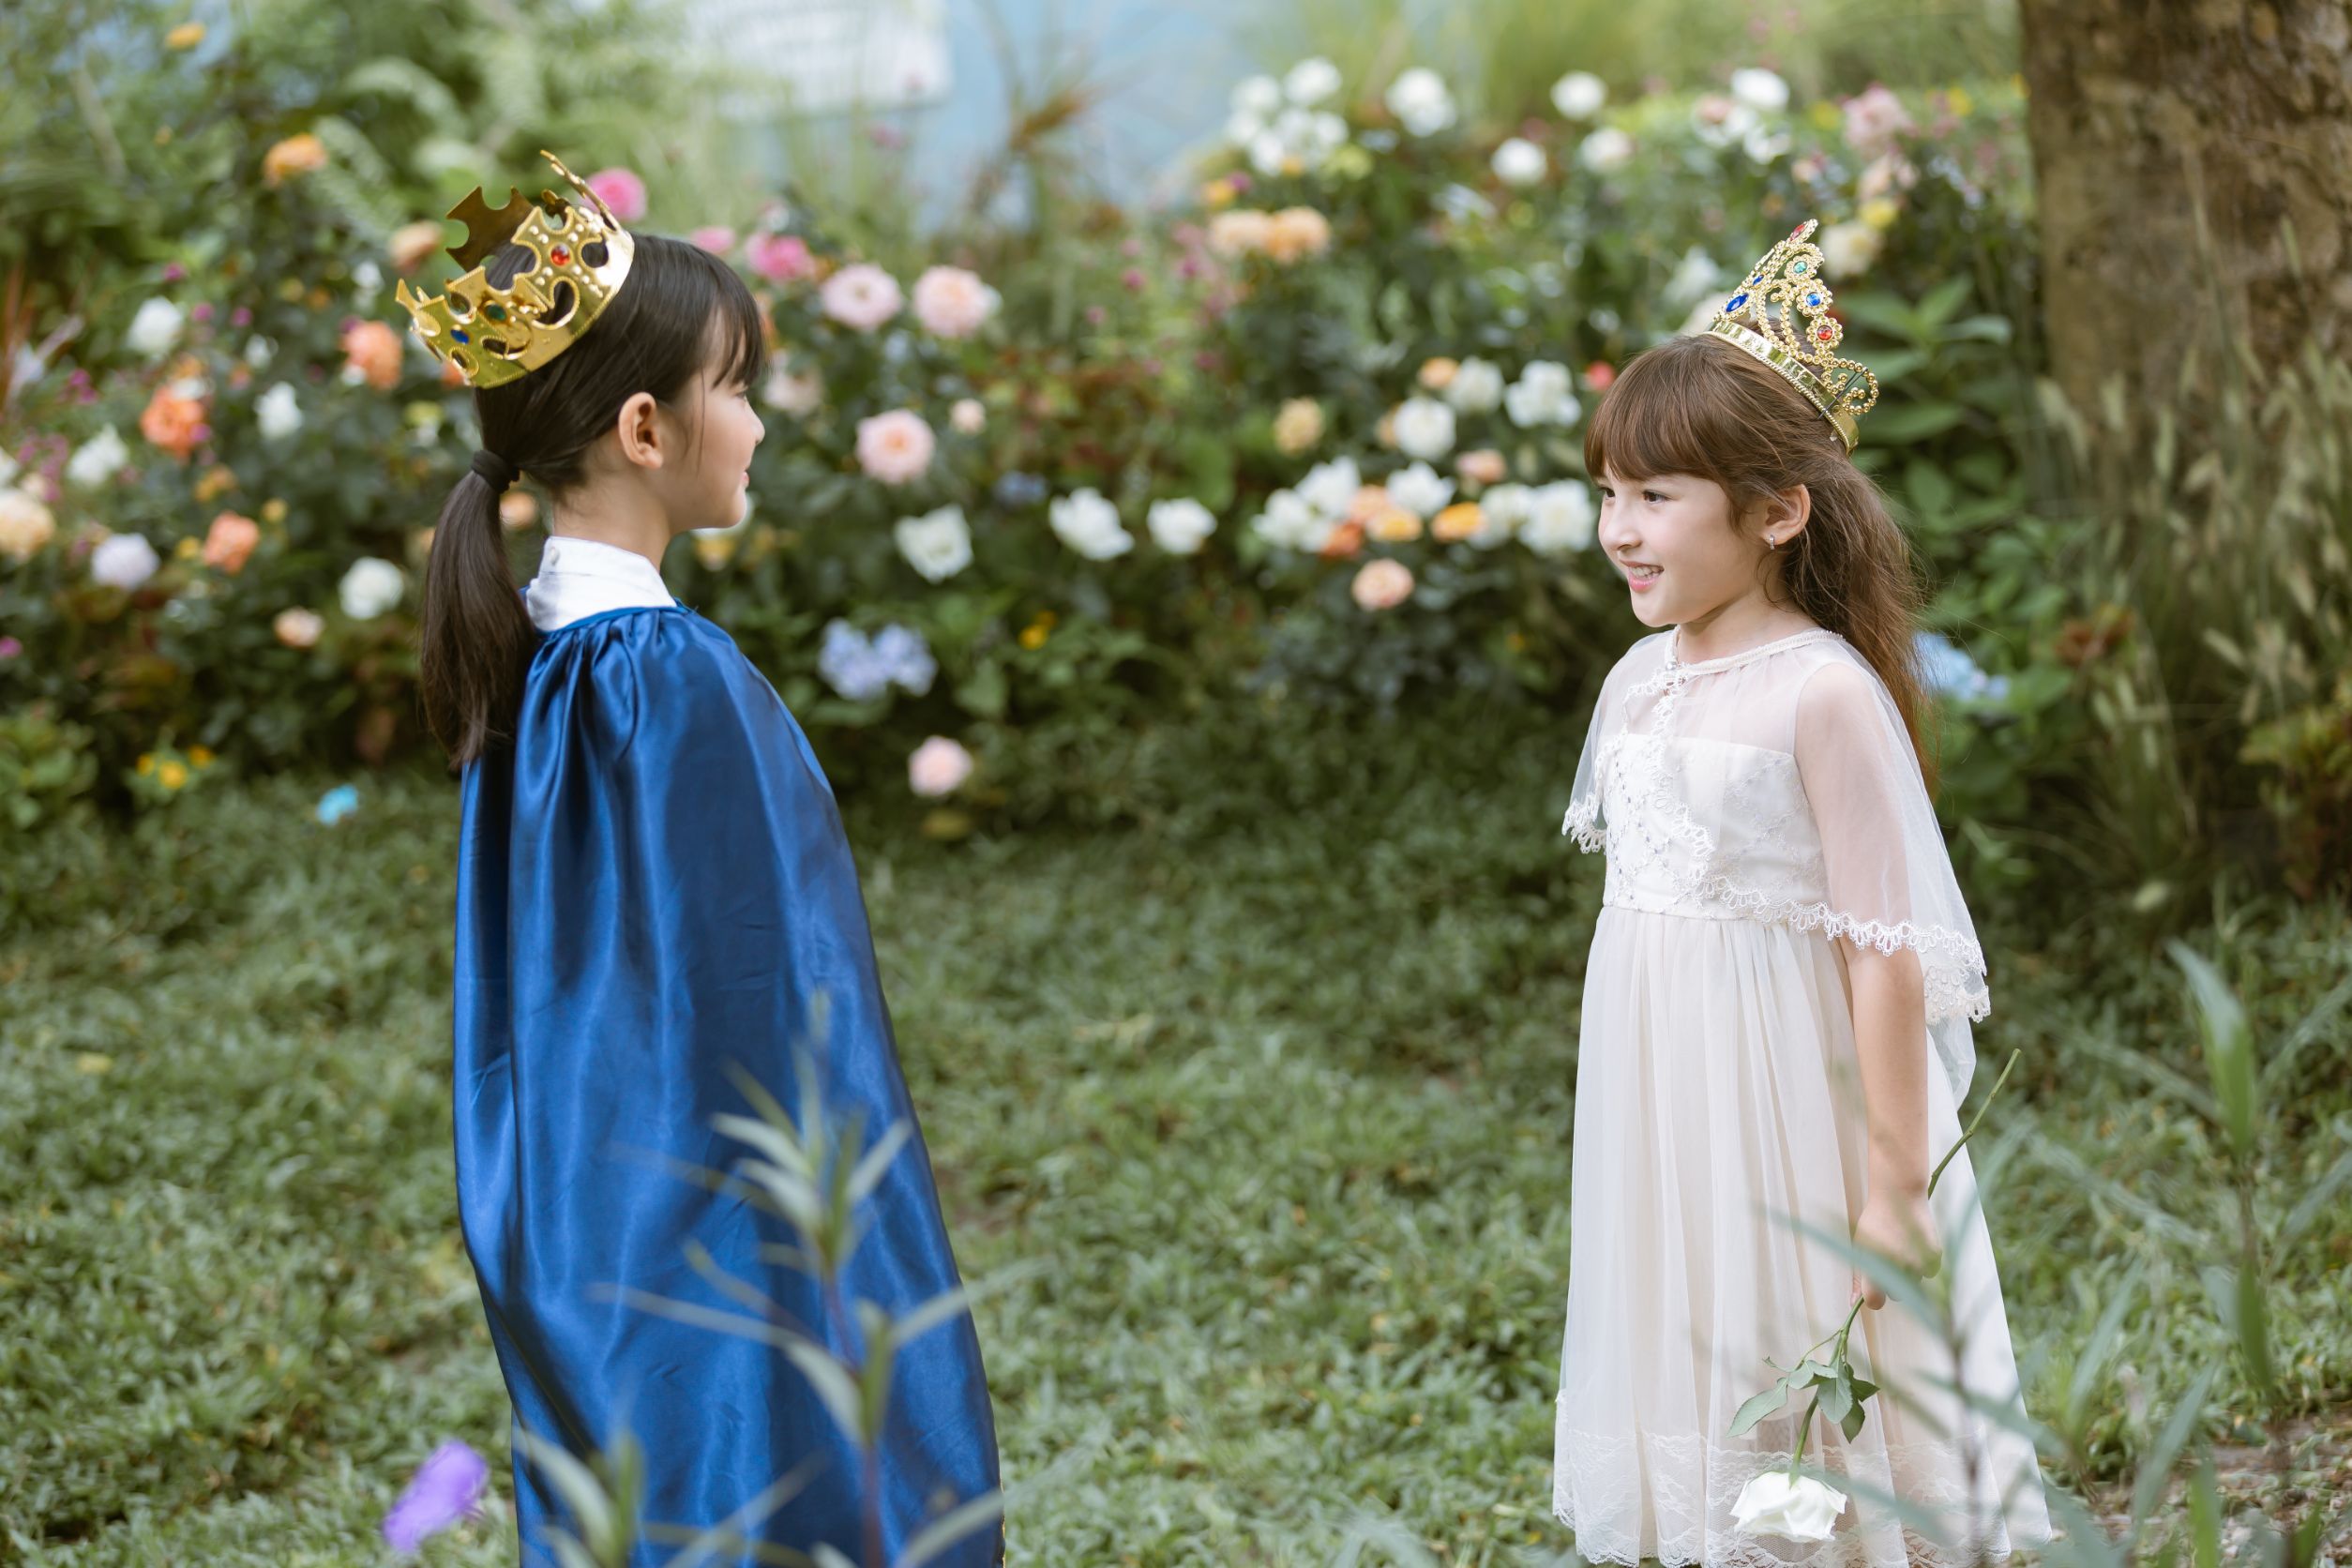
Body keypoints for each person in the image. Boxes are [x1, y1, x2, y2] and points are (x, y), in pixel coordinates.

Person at [403, 154, 1001, 1565]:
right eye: (735, 387)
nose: (757, 423)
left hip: (588, 1193)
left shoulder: (542, 656)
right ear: (644, 428)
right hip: (718, 1205)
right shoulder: (665, 672)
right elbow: (762, 983)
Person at [1548, 221, 2052, 1568]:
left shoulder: (1822, 693)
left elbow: (1886, 948)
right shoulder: (1636, 681)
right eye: (1609, 492)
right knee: (1693, 1318)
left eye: (1657, 496)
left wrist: (1893, 1181)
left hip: (1791, 1091)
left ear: (1776, 513)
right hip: (1665, 1085)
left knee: (1804, 1332)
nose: (1620, 529)